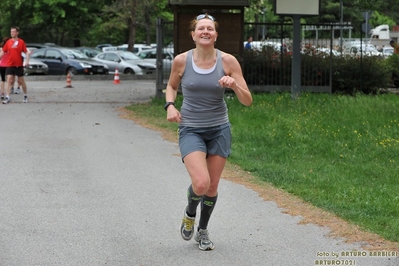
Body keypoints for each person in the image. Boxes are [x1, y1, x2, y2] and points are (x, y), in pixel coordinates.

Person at [164, 13, 252, 251]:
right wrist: (170, 105)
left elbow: (247, 100)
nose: (205, 32)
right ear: (193, 35)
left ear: (215, 35)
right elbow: (171, 86)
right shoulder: (181, 61)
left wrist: (234, 85)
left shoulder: (229, 61)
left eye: (210, 29)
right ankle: (189, 212)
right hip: (191, 129)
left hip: (219, 129)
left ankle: (202, 231)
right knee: (201, 184)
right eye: (201, 28)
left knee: (212, 187)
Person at [0, 26, 29, 104]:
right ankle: (7, 97)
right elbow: (3, 52)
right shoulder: (8, 42)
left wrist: (27, 61)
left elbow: (26, 52)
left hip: (18, 65)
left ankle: (25, 95)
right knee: (9, 79)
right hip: (10, 64)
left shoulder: (21, 42)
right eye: (11, 31)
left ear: (17, 33)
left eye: (13, 31)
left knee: (21, 81)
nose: (12, 33)